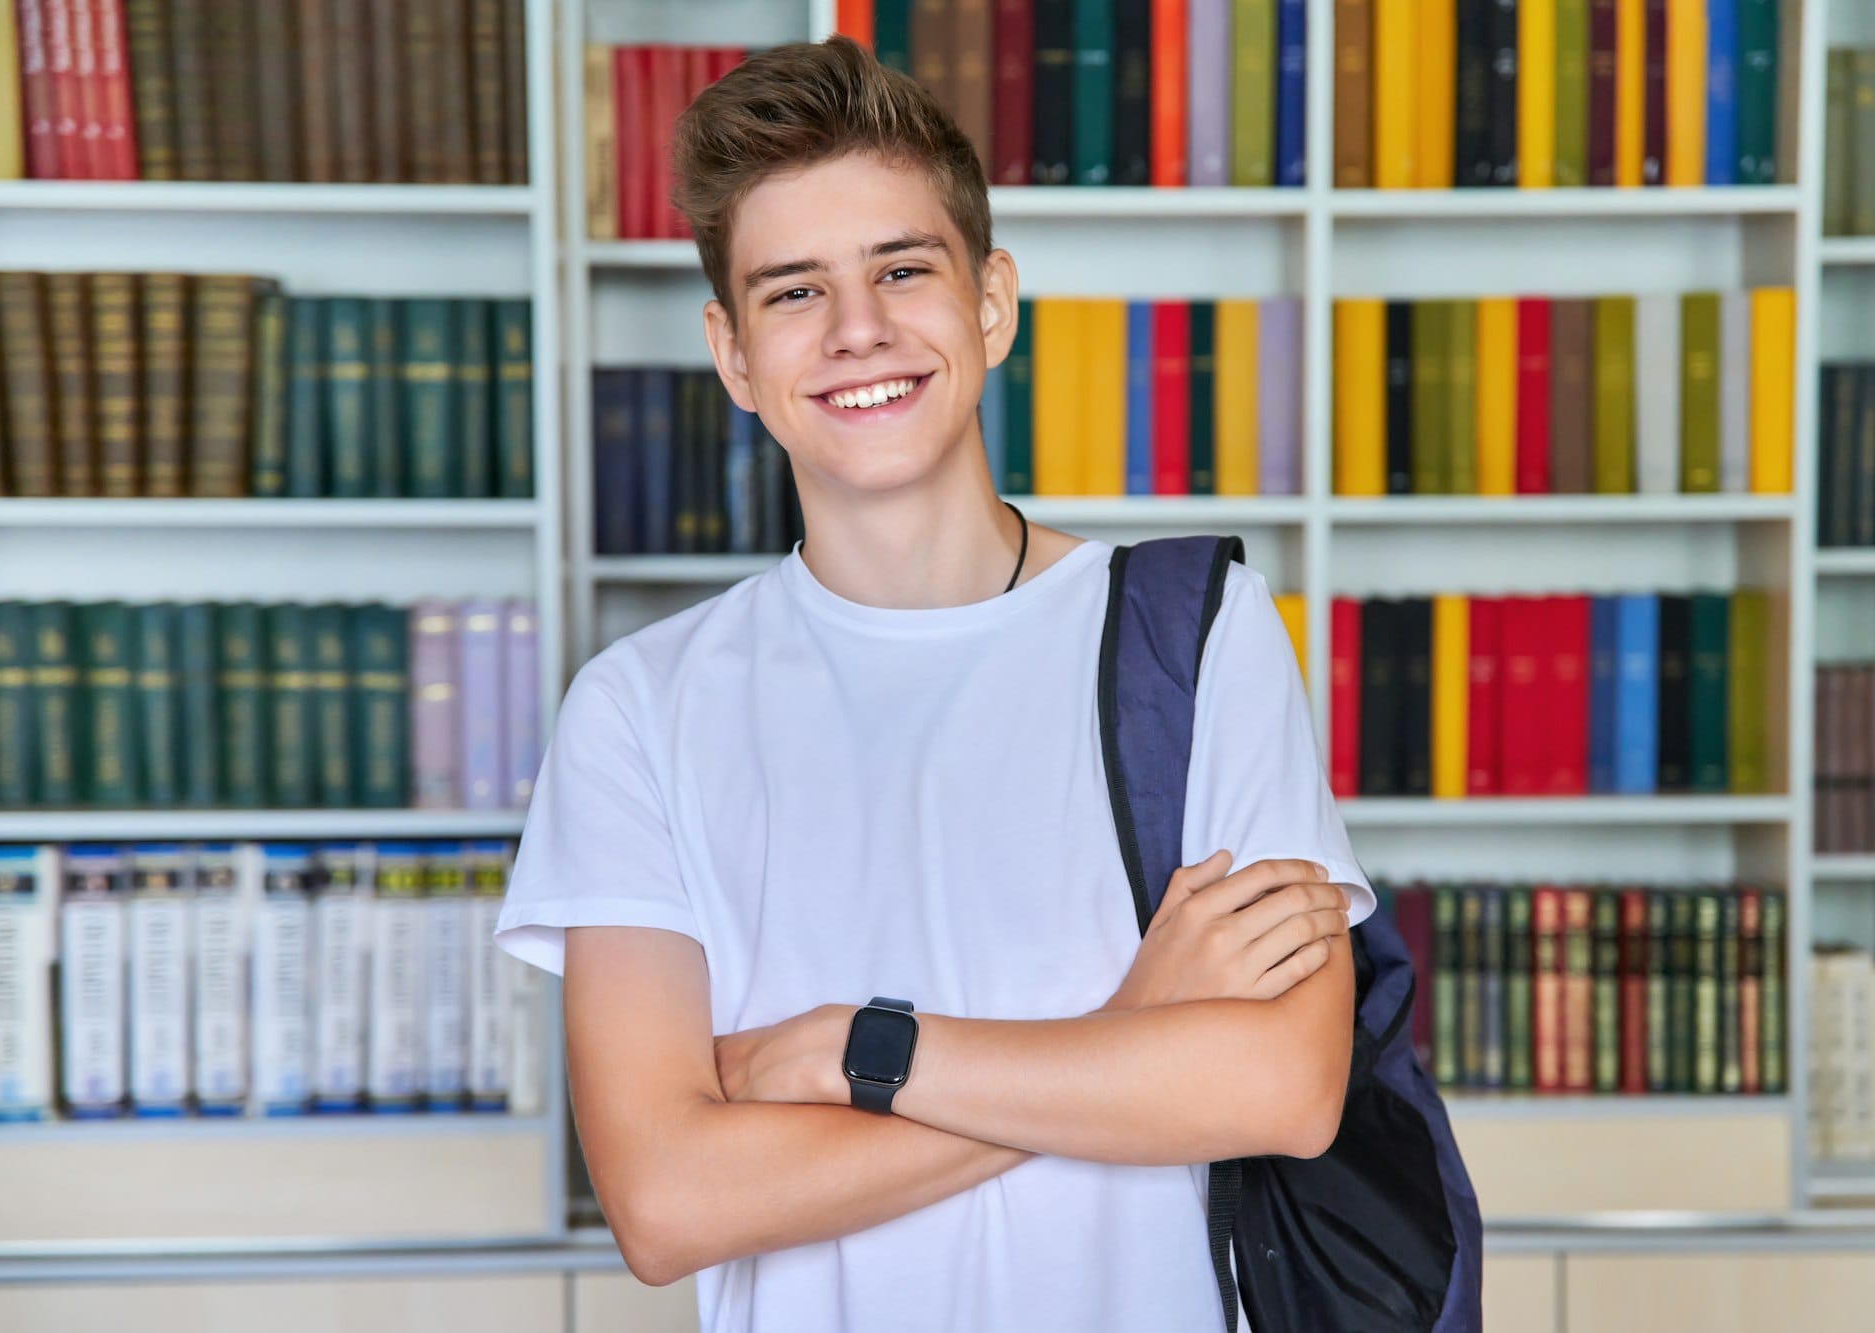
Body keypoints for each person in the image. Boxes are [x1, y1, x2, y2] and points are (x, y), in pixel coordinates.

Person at [494, 34, 1377, 1333]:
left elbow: (1282, 1088)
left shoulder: (1196, 637)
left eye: (901, 269)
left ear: (991, 302)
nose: (859, 331)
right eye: (793, 293)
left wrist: (856, 1049)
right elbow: (667, 1200)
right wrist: (1126, 1035)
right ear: (734, 355)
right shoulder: (639, 708)